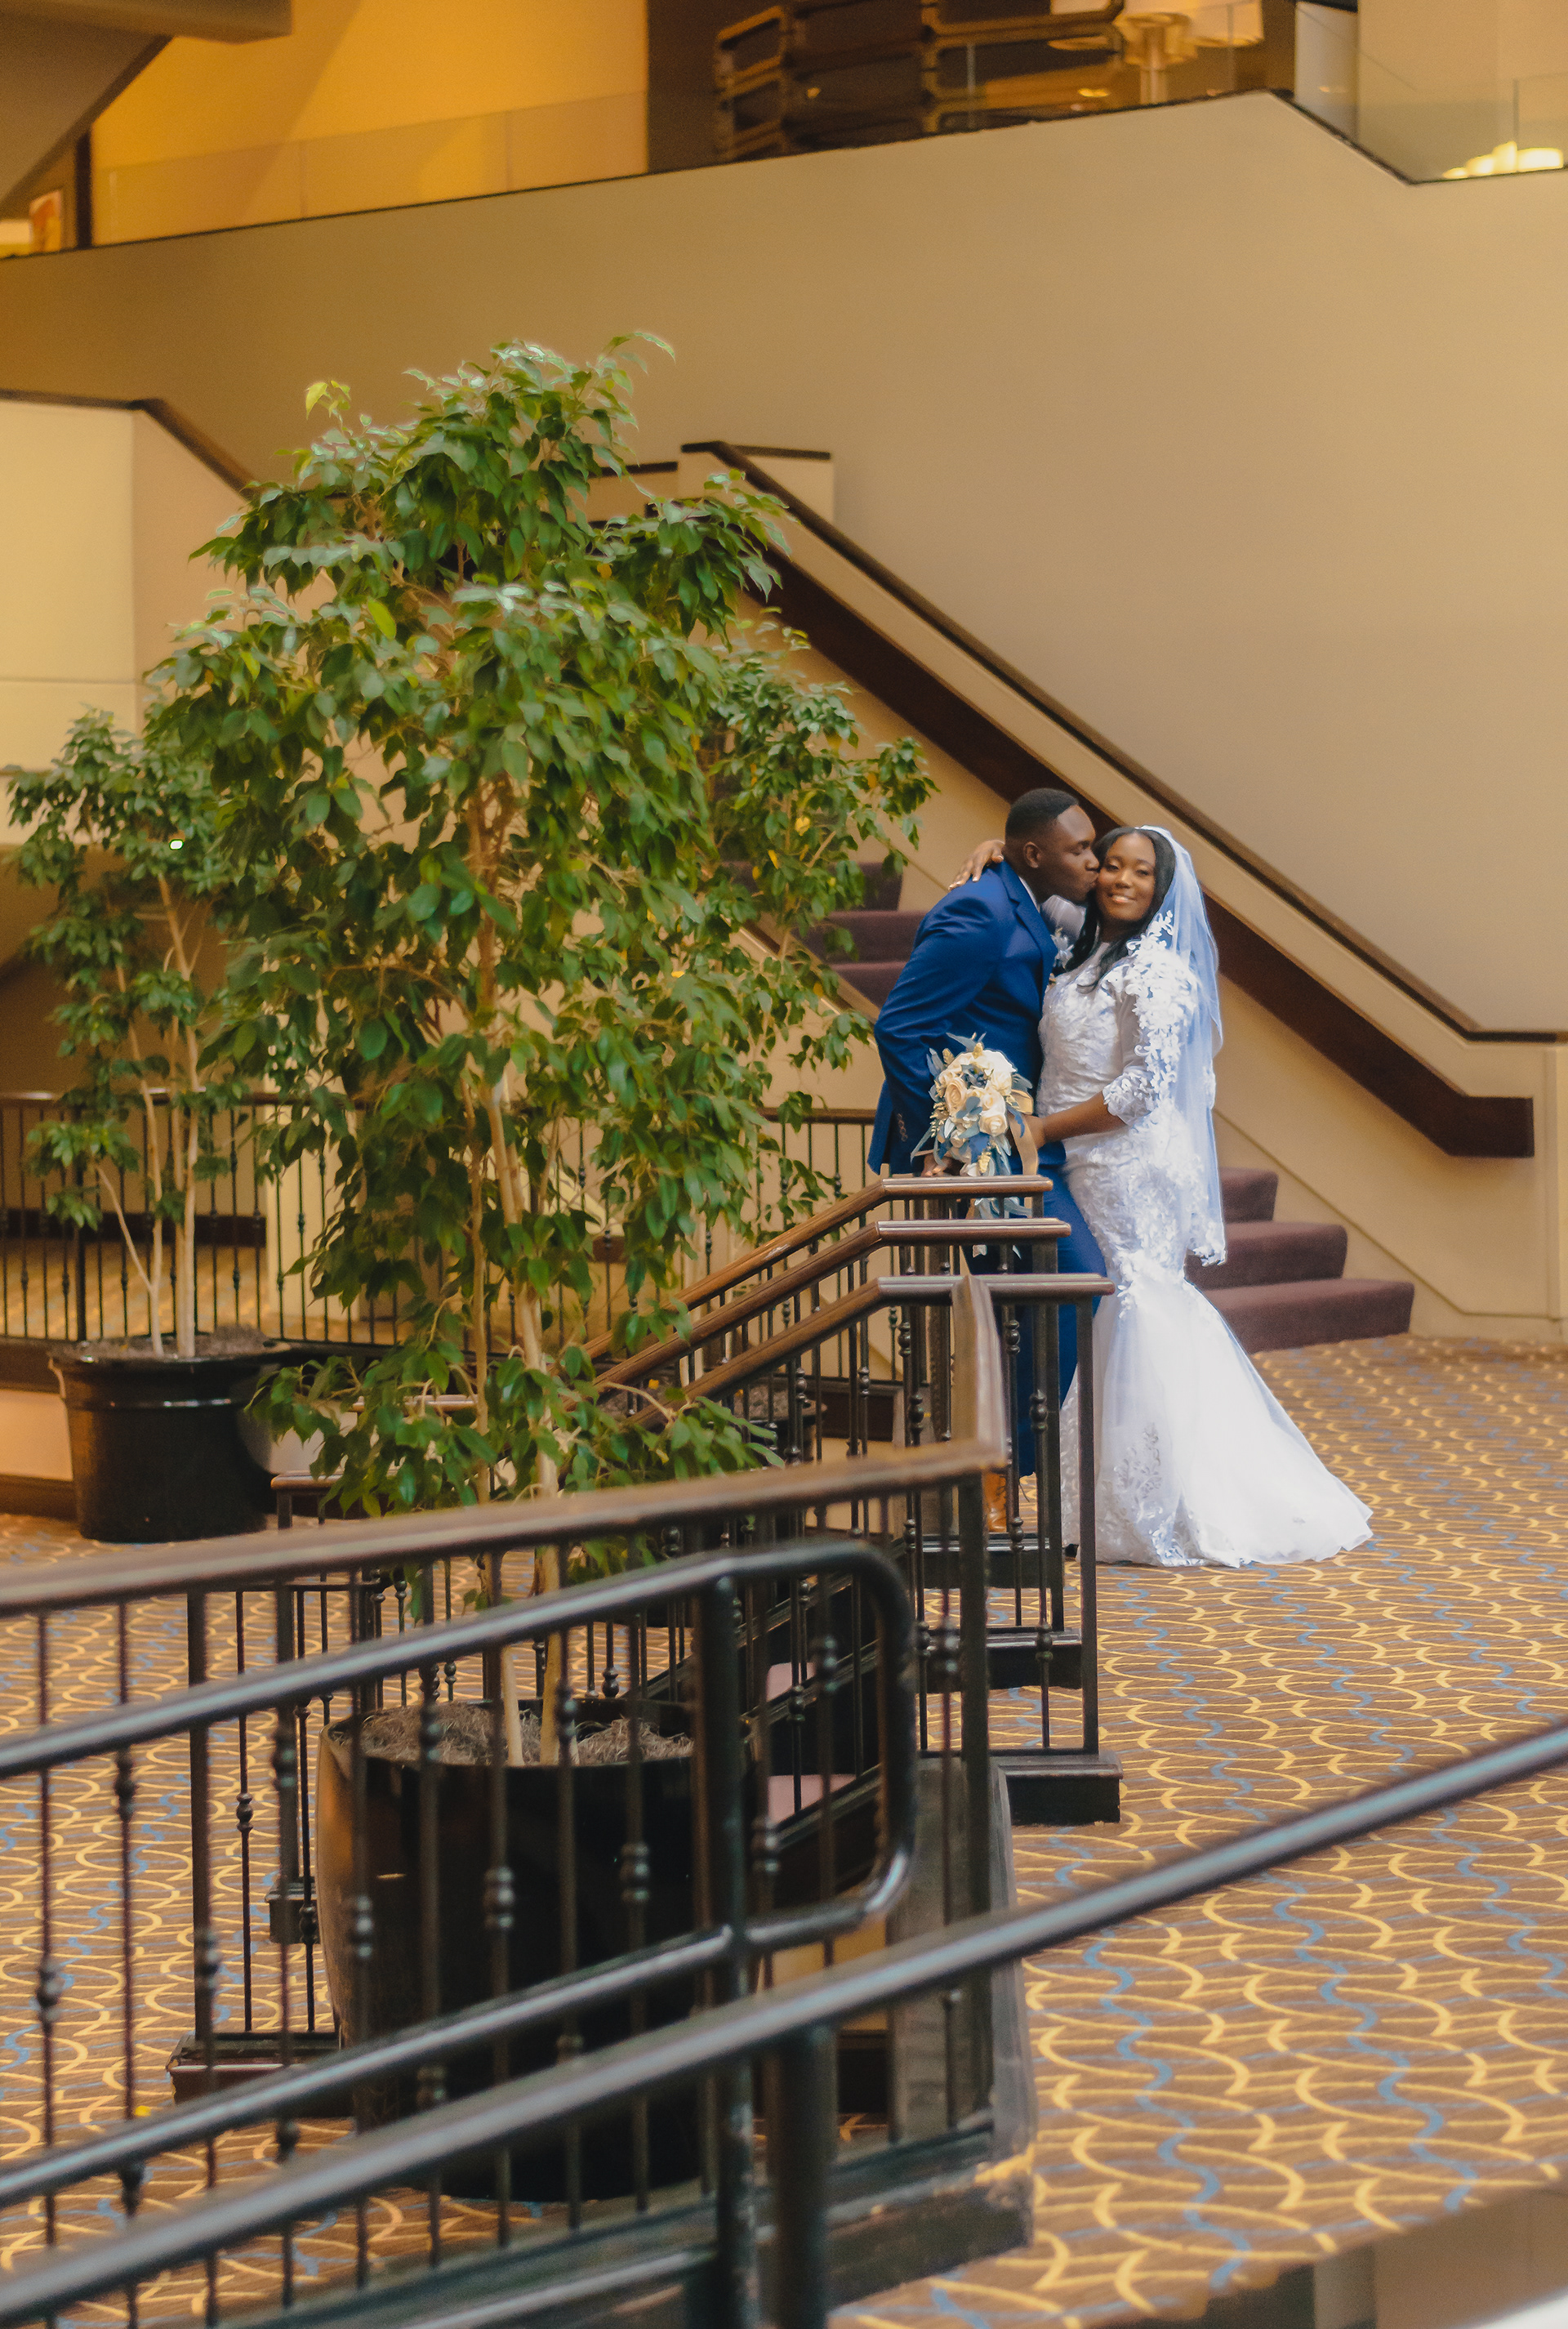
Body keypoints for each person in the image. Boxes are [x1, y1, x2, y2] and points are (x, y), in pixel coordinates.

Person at [1018, 823, 1371, 1568]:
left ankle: (1158, 1500)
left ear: (1163, 889)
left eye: (1140, 872)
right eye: (1112, 865)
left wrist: (1045, 1128)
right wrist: (998, 848)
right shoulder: (1089, 951)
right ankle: (1107, 1495)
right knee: (1115, 1308)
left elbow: (1142, 1089)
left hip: (1125, 1164)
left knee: (1133, 1303)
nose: (1121, 880)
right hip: (1084, 1160)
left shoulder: (1158, 972)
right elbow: (1046, 896)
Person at [871, 788, 1106, 1494]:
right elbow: (898, 1027)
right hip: (980, 1150)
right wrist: (950, 1139)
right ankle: (998, 1466)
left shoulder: (1028, 896)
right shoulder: (980, 911)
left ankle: (992, 1473)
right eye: (1079, 849)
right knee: (1072, 1275)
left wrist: (1000, 849)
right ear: (1036, 854)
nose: (1093, 862)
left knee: (1016, 1305)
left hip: (1018, 1141)